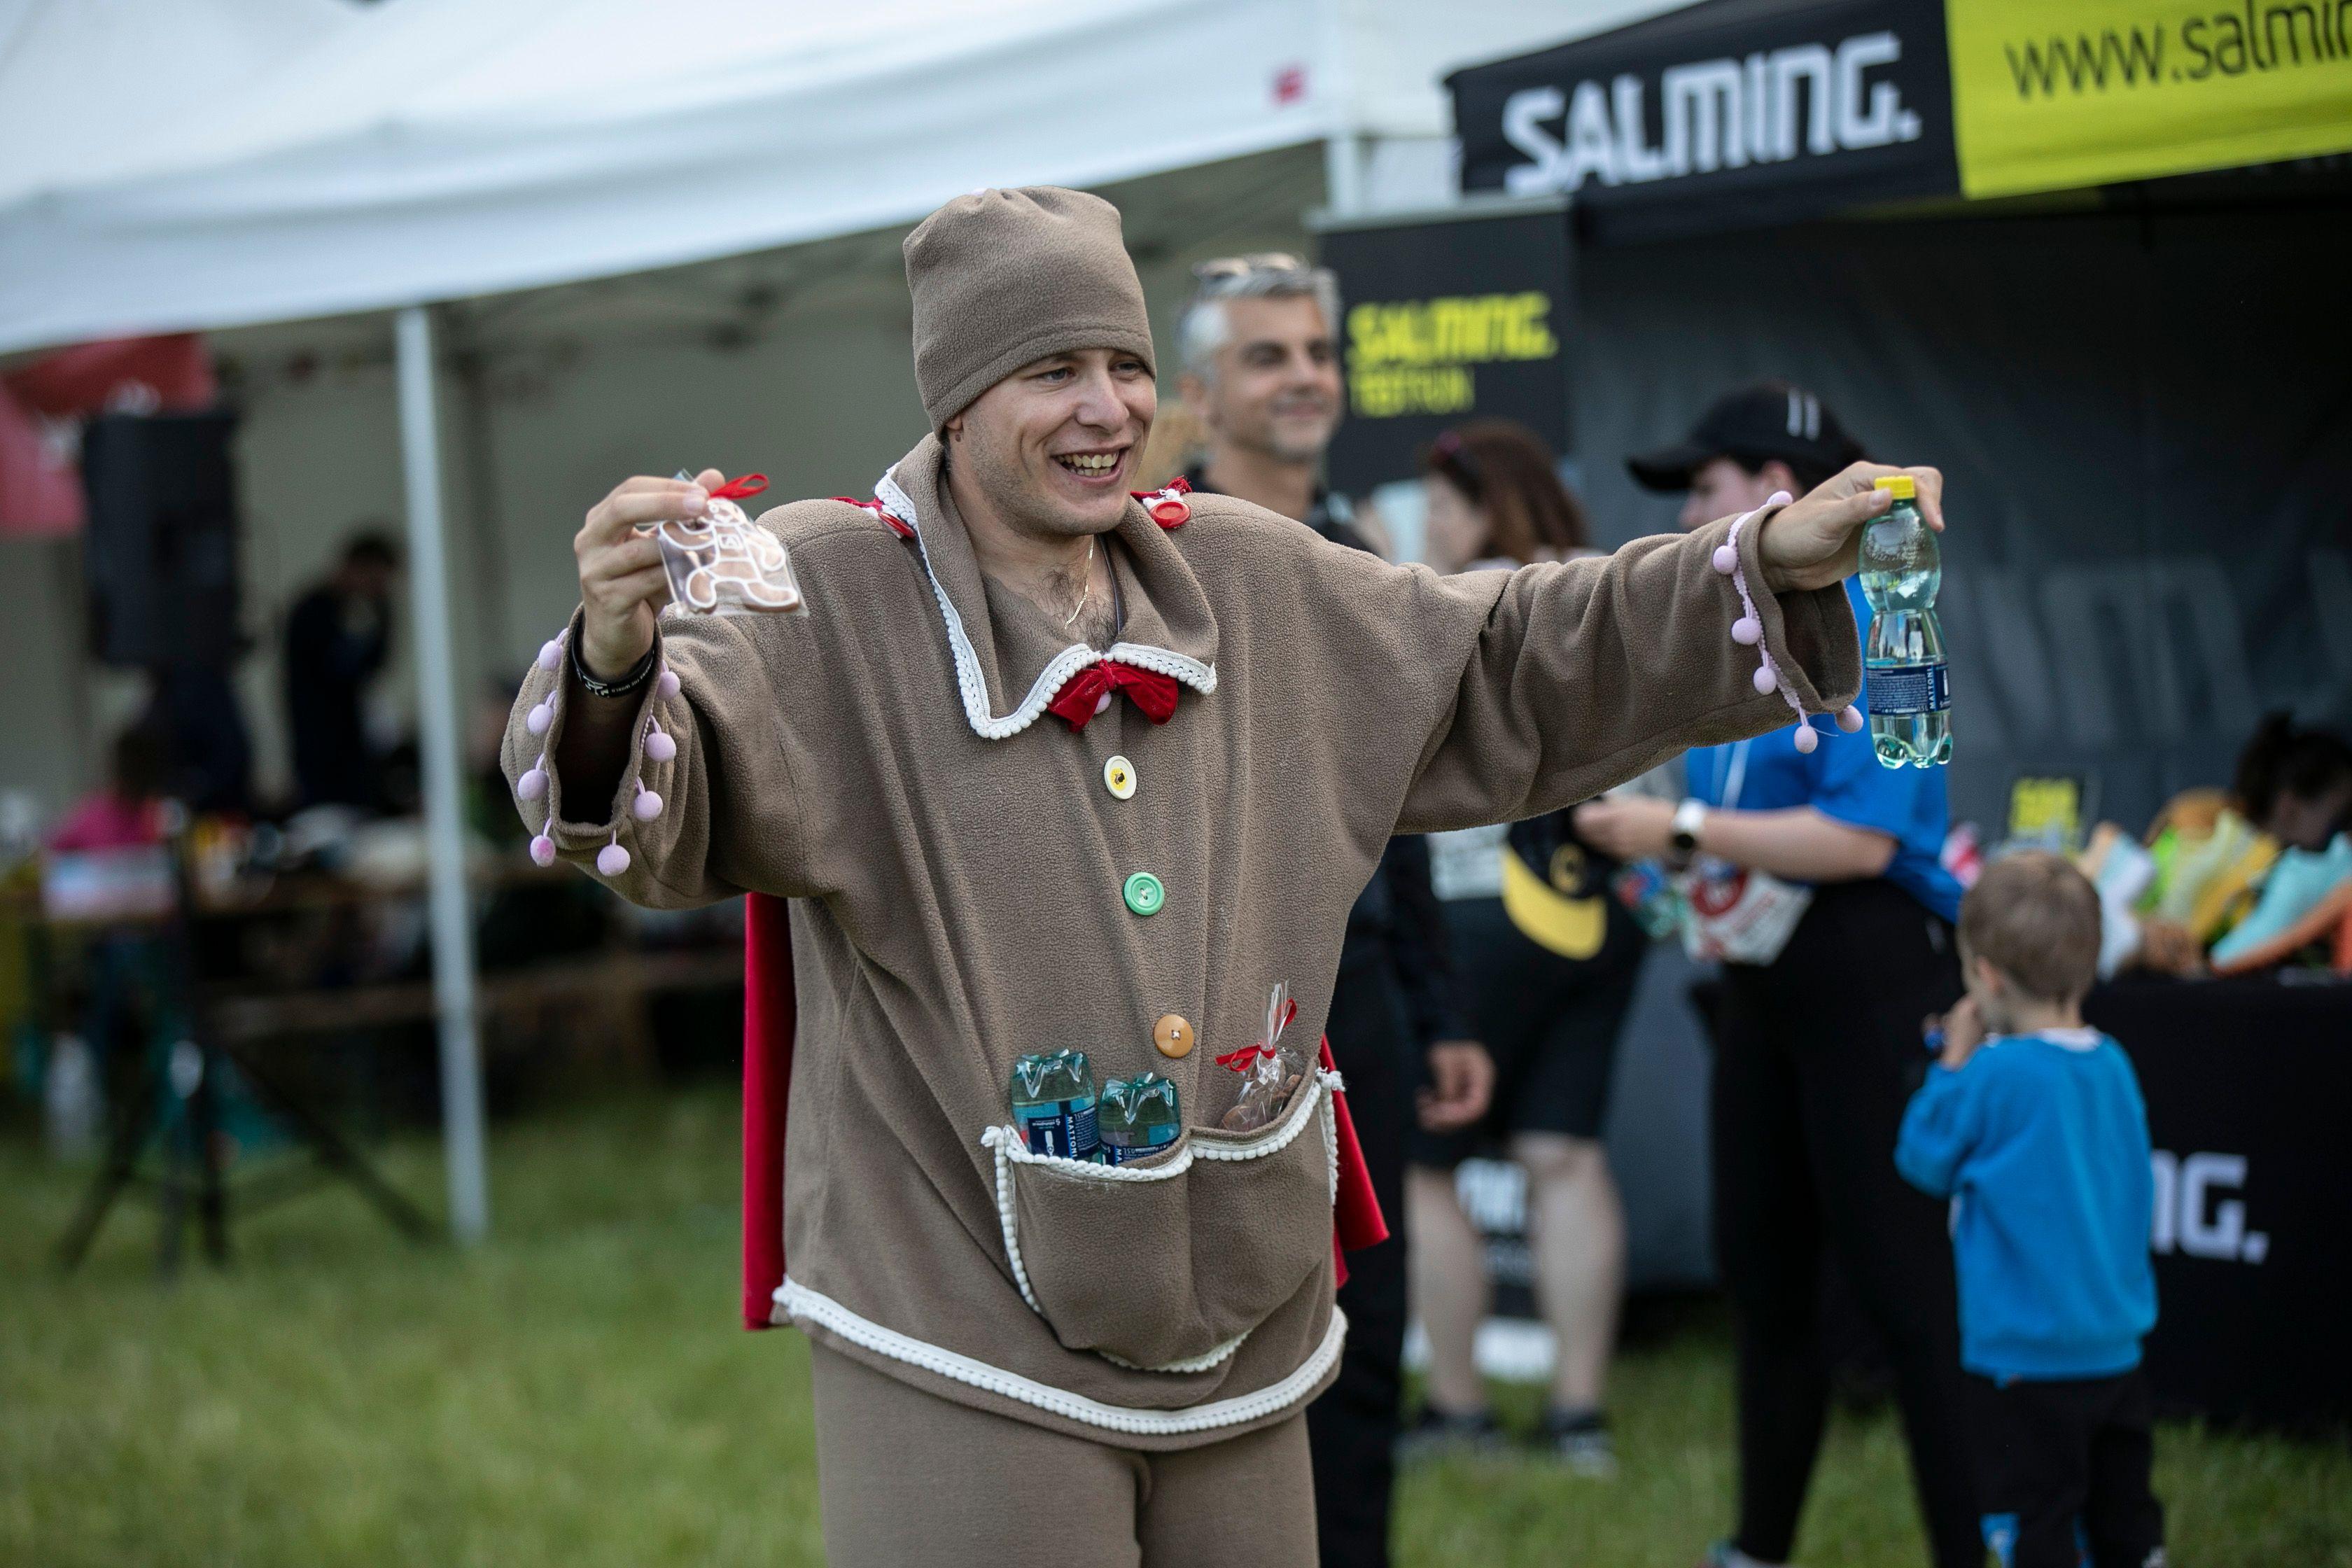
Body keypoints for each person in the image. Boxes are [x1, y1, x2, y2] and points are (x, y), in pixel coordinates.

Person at [509, 188, 1936, 1564]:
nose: (1107, 408)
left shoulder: (1249, 576)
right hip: (956, 1328)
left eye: (1125, 366)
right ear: (955, 398)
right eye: (1052, 370)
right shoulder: (825, 589)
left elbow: (1504, 653)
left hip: (1244, 1322)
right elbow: (666, 804)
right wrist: (615, 659)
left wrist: (1761, 559)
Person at [1574, 380, 1980, 1568]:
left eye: (1704, 487)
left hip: (1870, 971)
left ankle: (1977, 1548)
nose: (1687, 514)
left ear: (1775, 487)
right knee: (1765, 1284)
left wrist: (1677, 831)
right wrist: (1667, 845)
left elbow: (1863, 842)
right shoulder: (1729, 624)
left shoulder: (1890, 605)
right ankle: (1758, 1546)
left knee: (1909, 1292)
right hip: (1761, 988)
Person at [1171, 252, 1494, 1568]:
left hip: (1357, 1009)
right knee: (1212, 1343)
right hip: (1195, 1014)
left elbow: (1401, 806)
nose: (1304, 377)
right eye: (1268, 355)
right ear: (1200, 394)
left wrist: (1438, 1007)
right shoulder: (1143, 552)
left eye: (1318, 351)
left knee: (1365, 1337)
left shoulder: (1363, 560)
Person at [1405, 420, 1649, 1476]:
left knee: (1427, 1167)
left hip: (1480, 910)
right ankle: (1578, 1414)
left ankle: (1458, 1410)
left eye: (1441, 508)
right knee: (1568, 1155)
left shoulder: (1459, 598)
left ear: (1482, 507)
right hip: (1609, 911)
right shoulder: (1614, 583)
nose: (1431, 528)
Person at [1896, 851, 2163, 1568]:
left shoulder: (1995, 1073)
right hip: (2114, 1346)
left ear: (1986, 977)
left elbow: (1922, 1156)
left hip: (2022, 1363)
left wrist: (1951, 1061)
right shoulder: (2112, 1063)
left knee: (2035, 1523)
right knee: (2124, 1518)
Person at [284, 531, 399, 810]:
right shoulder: (314, 611)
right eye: (375, 579)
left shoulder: (343, 610)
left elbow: (372, 666)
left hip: (347, 745)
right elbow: (340, 670)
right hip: (321, 750)